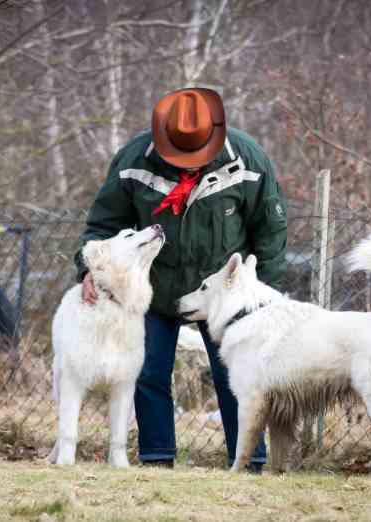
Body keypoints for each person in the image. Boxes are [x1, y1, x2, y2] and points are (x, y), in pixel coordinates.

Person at [73, 87, 288, 471]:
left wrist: (261, 297)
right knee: (148, 373)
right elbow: (103, 226)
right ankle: (157, 460)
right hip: (150, 291)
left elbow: (270, 233)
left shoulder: (249, 161)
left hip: (222, 295)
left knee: (235, 377)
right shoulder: (132, 160)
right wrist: (87, 268)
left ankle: (250, 462)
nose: (188, 164)